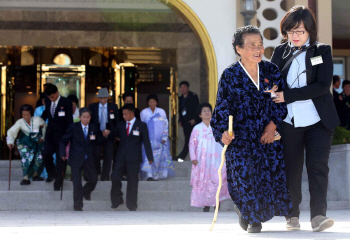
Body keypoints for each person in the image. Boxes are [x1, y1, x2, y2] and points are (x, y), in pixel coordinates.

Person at [211, 25, 292, 233]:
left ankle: (252, 214)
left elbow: (279, 102)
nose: (258, 49)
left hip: (267, 136)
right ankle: (251, 217)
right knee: (244, 177)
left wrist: (272, 126)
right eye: (252, 45)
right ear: (239, 48)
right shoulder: (230, 75)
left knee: (266, 179)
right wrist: (223, 133)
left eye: (260, 44)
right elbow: (221, 109)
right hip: (241, 139)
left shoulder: (271, 71)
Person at [270, 5, 339, 232]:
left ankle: (318, 216)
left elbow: (321, 86)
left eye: (300, 30)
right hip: (289, 122)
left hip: (319, 121)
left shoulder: (322, 51)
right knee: (291, 169)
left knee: (318, 168)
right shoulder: (280, 52)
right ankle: (292, 215)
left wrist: (286, 96)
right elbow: (272, 82)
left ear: (309, 29)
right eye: (290, 31)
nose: (295, 36)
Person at [60, 107, 109, 211]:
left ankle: (85, 191)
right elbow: (63, 140)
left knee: (94, 179)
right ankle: (78, 206)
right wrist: (62, 153)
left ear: (90, 117)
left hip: (89, 158)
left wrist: (104, 136)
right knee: (77, 183)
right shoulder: (73, 127)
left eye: (88, 117)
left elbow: (97, 141)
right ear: (79, 117)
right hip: (76, 158)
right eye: (84, 117)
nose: (86, 119)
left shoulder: (94, 127)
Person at [110, 104, 154, 211]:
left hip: (134, 158)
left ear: (132, 114)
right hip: (120, 157)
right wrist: (108, 133)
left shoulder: (141, 125)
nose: (124, 116)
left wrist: (150, 157)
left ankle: (132, 204)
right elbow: (113, 135)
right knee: (115, 177)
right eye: (123, 114)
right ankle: (117, 199)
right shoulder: (120, 125)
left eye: (125, 114)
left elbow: (146, 142)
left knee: (133, 181)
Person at [189, 103, 230, 212]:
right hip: (202, 161)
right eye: (204, 111)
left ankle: (217, 203)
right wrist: (193, 157)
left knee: (217, 180)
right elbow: (192, 145)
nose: (207, 112)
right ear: (200, 115)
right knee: (204, 181)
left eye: (208, 110)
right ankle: (205, 204)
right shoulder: (197, 129)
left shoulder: (217, 127)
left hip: (216, 159)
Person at [41, 84, 73, 190]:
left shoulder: (66, 102)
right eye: (49, 97)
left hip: (62, 136)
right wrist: (40, 120)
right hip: (50, 134)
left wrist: (68, 136)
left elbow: (69, 121)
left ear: (57, 93)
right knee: (45, 153)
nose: (51, 99)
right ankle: (52, 173)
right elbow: (47, 112)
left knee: (61, 160)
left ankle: (58, 183)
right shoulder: (48, 100)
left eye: (52, 97)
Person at [6, 104, 46, 185]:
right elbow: (11, 132)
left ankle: (35, 175)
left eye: (27, 114)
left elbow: (44, 127)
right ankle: (25, 177)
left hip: (36, 141)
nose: (25, 116)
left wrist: (42, 137)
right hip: (24, 142)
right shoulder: (20, 122)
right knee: (26, 157)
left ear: (31, 114)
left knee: (39, 157)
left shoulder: (38, 120)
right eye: (23, 115)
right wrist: (10, 142)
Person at [139, 93, 175, 181]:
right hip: (148, 140)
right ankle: (149, 175)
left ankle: (158, 175)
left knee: (160, 157)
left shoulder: (161, 111)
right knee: (148, 157)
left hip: (160, 140)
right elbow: (142, 126)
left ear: (156, 102)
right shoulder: (144, 112)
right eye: (150, 102)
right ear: (148, 103)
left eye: (153, 102)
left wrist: (164, 137)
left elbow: (166, 124)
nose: (152, 103)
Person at [89, 88, 119, 181]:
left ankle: (105, 176)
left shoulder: (113, 107)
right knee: (96, 154)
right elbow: (91, 122)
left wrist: (111, 132)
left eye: (104, 98)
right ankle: (97, 171)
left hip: (109, 132)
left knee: (109, 155)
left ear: (107, 98)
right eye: (101, 98)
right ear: (98, 98)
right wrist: (98, 132)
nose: (102, 100)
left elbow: (116, 121)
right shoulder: (92, 107)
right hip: (98, 132)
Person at [177, 81, 199, 162]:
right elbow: (180, 111)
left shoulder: (193, 96)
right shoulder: (180, 98)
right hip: (185, 123)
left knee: (191, 140)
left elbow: (197, 109)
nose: (182, 89)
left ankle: (181, 157)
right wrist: (180, 120)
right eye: (181, 87)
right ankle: (182, 157)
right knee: (188, 140)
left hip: (193, 122)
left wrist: (195, 119)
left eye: (184, 87)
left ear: (188, 88)